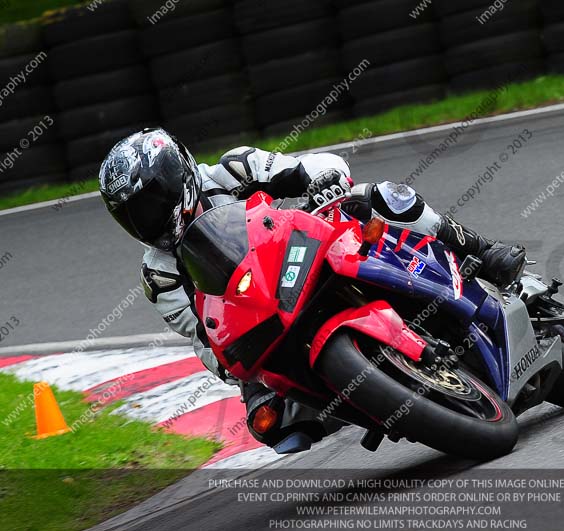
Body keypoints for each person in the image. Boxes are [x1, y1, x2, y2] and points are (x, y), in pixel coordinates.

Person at [98, 128, 525, 453]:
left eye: (151, 201)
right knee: (274, 425)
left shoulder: (234, 169)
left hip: (308, 250)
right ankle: (381, 399)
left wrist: (323, 182)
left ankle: (482, 251)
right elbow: (203, 340)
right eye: (132, 214)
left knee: (380, 197)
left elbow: (317, 166)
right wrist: (236, 369)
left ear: (176, 173)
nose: (146, 219)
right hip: (261, 321)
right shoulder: (161, 276)